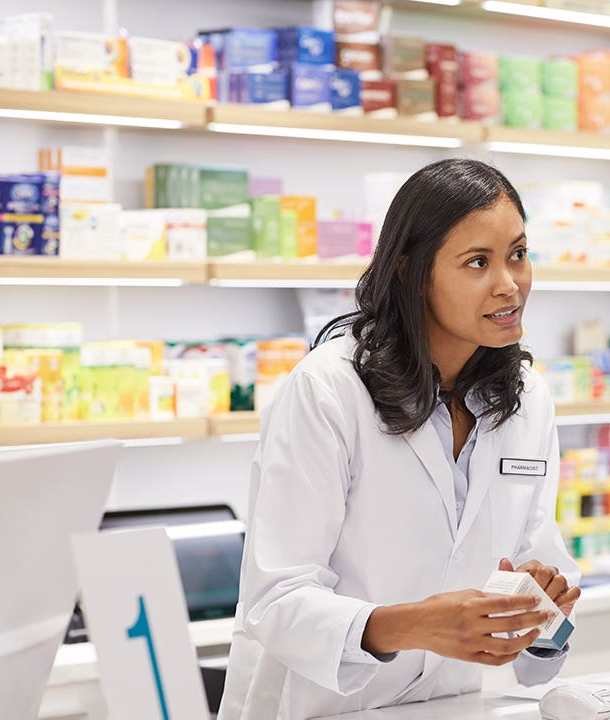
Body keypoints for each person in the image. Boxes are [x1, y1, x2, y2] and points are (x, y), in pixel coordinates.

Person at [218, 158, 581, 719]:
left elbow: (539, 617)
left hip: (446, 708)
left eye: (518, 253)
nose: (509, 283)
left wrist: (540, 612)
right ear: (412, 273)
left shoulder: (527, 399)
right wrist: (417, 624)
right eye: (477, 262)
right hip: (320, 709)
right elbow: (276, 601)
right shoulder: (328, 389)